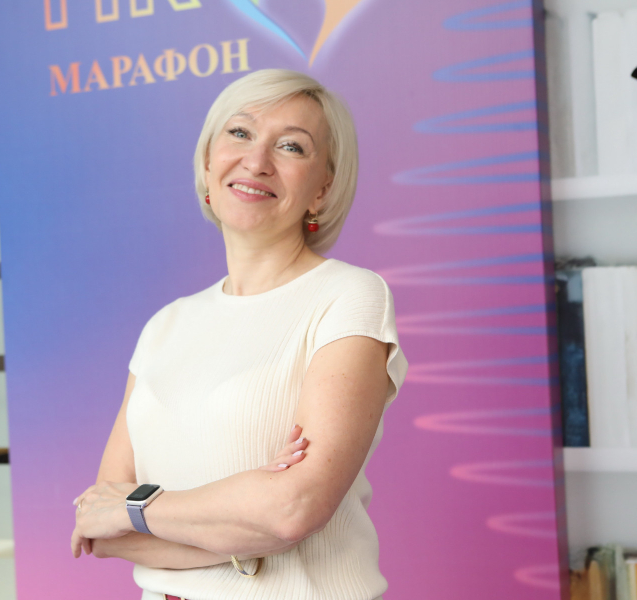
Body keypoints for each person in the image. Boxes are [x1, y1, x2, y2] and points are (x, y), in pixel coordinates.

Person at [70, 68, 409, 600]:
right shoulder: (165, 325)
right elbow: (102, 528)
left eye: (291, 146)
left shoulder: (348, 296)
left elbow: (294, 508)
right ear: (208, 163)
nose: (256, 160)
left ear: (322, 188)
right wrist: (250, 529)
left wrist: (136, 508)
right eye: (240, 133)